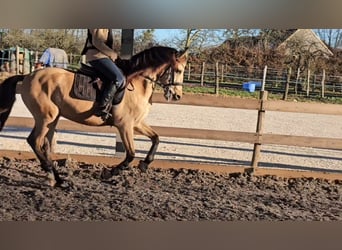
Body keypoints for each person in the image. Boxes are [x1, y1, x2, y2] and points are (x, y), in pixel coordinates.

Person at [82, 29, 125, 117]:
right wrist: (113, 54)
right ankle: (102, 107)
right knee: (119, 78)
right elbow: (97, 42)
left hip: (104, 56)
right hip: (96, 56)